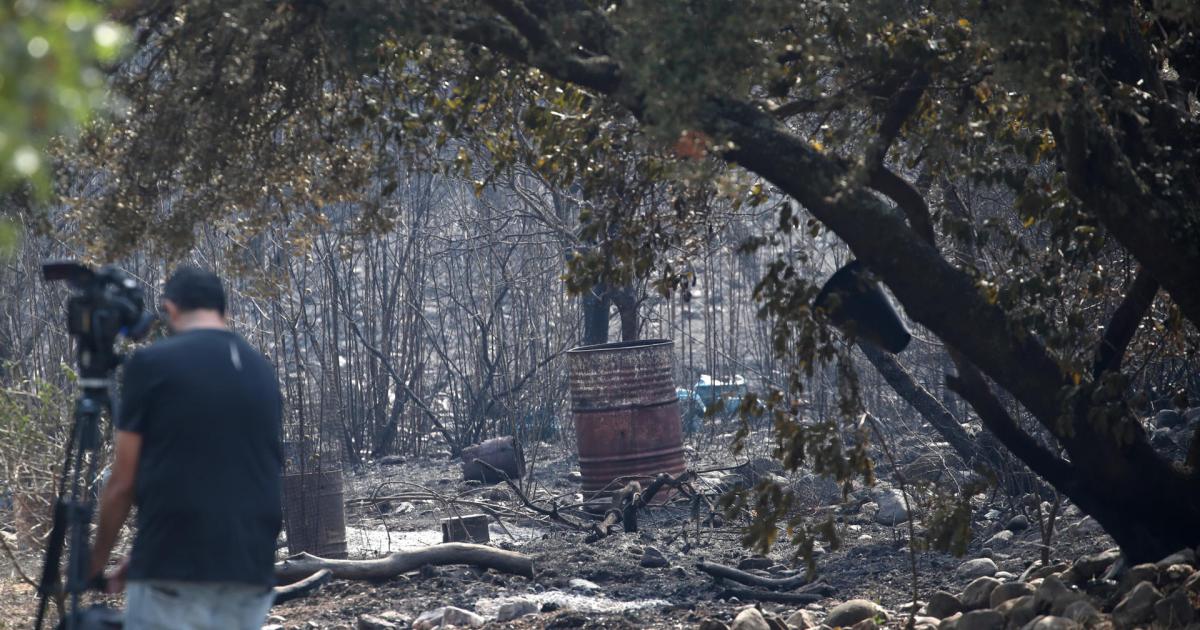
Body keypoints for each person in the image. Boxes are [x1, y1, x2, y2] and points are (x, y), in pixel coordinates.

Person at [88, 267, 283, 630]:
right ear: (223, 311)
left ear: (170, 308)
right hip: (250, 574)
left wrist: (95, 564)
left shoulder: (152, 364)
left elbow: (123, 483)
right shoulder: (261, 370)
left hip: (172, 574)